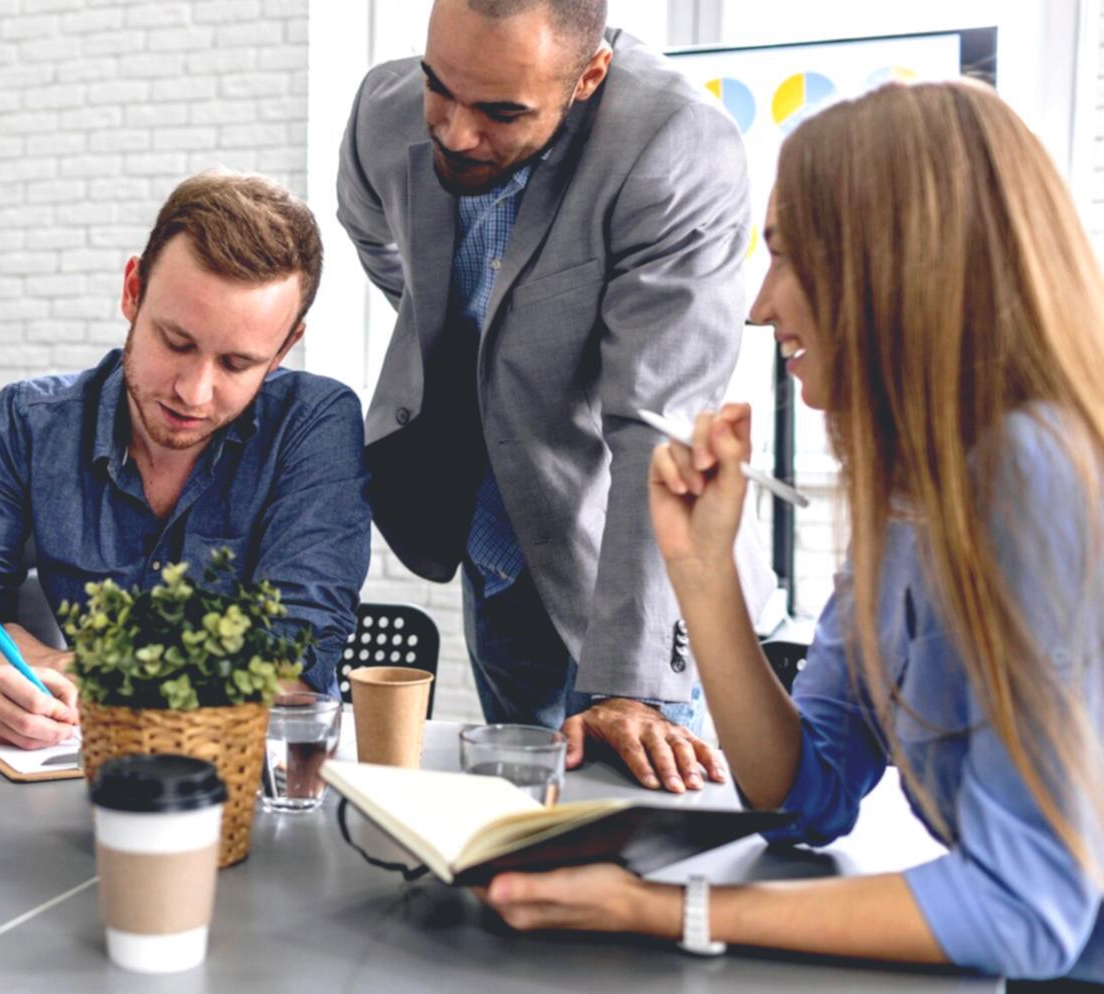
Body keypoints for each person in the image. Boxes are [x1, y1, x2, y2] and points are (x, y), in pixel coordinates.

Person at [473, 80, 1104, 984]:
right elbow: (806, 794)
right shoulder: (913, 496)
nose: (760, 305)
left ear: (895, 263)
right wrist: (701, 572)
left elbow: (1025, 910)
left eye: (788, 257)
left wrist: (663, 910)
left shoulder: (1040, 471)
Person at [337, 0, 773, 793]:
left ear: (589, 76)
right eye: (441, 87)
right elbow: (371, 234)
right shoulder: (384, 110)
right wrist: (463, 338)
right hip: (497, 550)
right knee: (517, 820)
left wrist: (632, 691)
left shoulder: (675, 146)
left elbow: (660, 425)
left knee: (631, 829)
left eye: (501, 112)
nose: (456, 132)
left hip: (630, 560)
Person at [0, 171, 372, 749]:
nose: (193, 392)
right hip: (83, 771)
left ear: (285, 346)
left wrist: (62, 663)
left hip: (258, 779)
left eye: (237, 364)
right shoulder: (29, 423)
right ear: (133, 291)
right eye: (177, 342)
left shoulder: (313, 425)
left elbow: (293, 672)